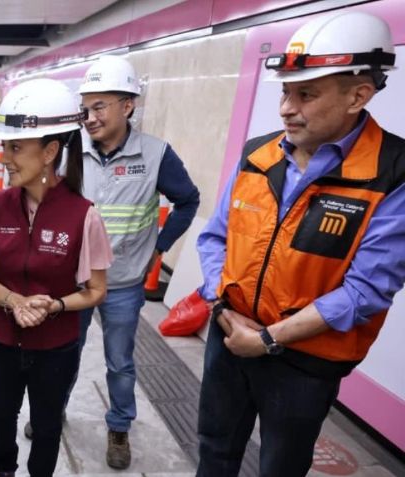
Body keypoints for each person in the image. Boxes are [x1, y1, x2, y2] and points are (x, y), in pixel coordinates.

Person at [196, 10, 403, 476]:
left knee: (281, 466)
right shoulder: (259, 154)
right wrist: (220, 299)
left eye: (306, 94)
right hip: (229, 336)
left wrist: (267, 339)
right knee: (213, 448)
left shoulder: (392, 174)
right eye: (286, 92)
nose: (287, 108)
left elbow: (365, 292)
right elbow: (215, 237)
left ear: (359, 95)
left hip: (305, 361)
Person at [41, 55, 200, 470]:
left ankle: (119, 427)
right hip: (73, 281)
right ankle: (52, 411)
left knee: (120, 362)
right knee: (63, 352)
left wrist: (159, 247)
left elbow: (188, 200)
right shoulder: (69, 148)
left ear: (127, 106)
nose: (89, 117)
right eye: (86, 107)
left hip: (124, 282)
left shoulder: (155, 155)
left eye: (100, 107)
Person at [0, 78, 112, 477]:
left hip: (56, 348)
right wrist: (14, 302)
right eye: (5, 146)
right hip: (0, 340)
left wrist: (56, 305)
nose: (5, 157)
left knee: (48, 426)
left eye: (15, 147)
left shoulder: (84, 215)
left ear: (50, 151)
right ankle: (4, 470)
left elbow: (96, 290)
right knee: (2, 414)